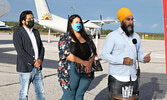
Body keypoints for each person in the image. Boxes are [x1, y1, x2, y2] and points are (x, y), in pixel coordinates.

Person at [101, 8, 151, 100]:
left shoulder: (136, 36)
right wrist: (122, 61)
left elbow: (139, 55)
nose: (131, 22)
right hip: (117, 78)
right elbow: (104, 55)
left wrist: (144, 58)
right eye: (128, 19)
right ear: (121, 21)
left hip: (133, 78)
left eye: (132, 19)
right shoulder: (112, 36)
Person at [58, 14, 97, 100]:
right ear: (71, 24)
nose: (78, 24)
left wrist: (89, 64)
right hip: (70, 69)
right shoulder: (65, 38)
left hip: (87, 70)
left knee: (80, 95)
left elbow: (94, 51)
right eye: (76, 22)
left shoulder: (87, 38)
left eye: (80, 22)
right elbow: (67, 55)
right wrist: (85, 63)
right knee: (69, 95)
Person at [13, 10, 45, 100]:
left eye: (32, 18)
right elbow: (20, 51)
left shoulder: (36, 32)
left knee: (40, 92)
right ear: (23, 21)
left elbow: (41, 48)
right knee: (24, 93)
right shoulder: (18, 32)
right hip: (25, 68)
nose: (32, 20)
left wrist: (40, 60)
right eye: (29, 19)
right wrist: (33, 62)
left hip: (37, 67)